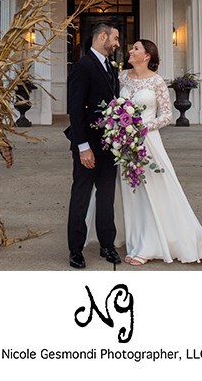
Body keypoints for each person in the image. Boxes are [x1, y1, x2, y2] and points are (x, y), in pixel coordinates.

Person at [117, 39, 202, 265]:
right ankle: (136, 240)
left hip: (148, 141)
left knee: (153, 190)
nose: (130, 51)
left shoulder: (157, 82)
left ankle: (149, 245)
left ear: (147, 57)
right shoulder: (123, 77)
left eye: (136, 49)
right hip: (125, 142)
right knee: (132, 192)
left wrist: (143, 127)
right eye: (132, 48)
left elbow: (166, 116)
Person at [64, 22, 122, 269]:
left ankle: (107, 244)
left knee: (107, 197)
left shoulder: (110, 66)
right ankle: (75, 250)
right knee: (81, 196)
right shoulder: (83, 66)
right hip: (88, 145)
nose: (117, 44)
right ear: (102, 37)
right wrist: (83, 147)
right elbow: (75, 110)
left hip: (109, 145)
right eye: (115, 39)